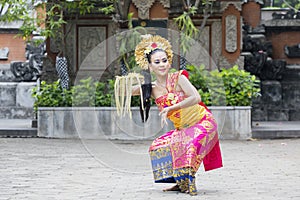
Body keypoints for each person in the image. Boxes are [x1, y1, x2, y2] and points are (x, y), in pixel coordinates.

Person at [116, 35, 223, 196]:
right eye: (157, 62)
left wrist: (172, 107)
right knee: (158, 146)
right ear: (150, 66)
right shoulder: (150, 88)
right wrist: (129, 79)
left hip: (204, 122)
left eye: (164, 60)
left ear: (169, 62)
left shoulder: (178, 78)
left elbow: (196, 97)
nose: (162, 65)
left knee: (190, 145)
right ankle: (180, 182)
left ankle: (188, 179)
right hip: (183, 128)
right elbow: (124, 91)